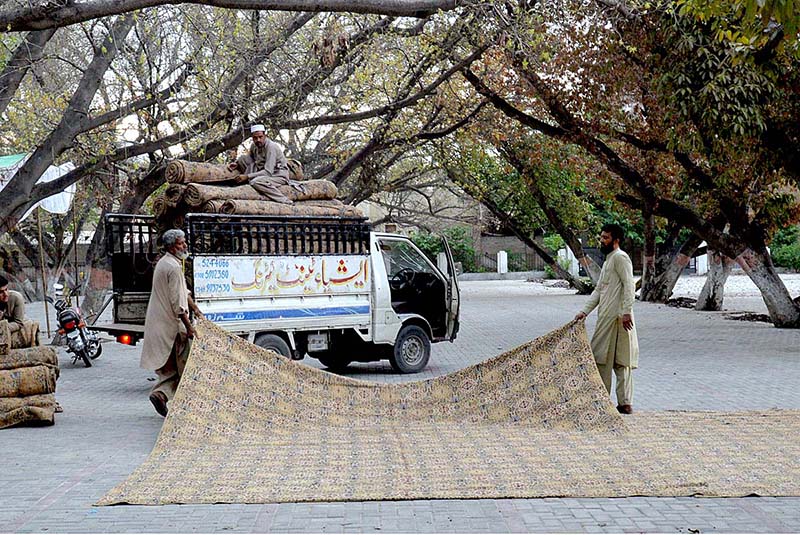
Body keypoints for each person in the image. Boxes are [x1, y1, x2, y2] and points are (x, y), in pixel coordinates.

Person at [575, 223, 639, 414]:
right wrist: (584, 312)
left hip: (621, 318)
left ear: (616, 240)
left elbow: (629, 285)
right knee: (601, 358)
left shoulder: (621, 258)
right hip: (606, 317)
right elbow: (599, 290)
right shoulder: (609, 260)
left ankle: (625, 403)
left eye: (606, 238)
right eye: (601, 237)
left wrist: (626, 311)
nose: (602, 241)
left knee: (622, 361)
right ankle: (601, 400)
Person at [140, 229, 201, 417]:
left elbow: (184, 292)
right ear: (171, 246)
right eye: (181, 243)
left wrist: (197, 310)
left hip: (160, 325)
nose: (185, 246)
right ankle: (190, 407)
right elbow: (178, 303)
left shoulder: (166, 263)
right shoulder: (173, 267)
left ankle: (160, 395)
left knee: (171, 370)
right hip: (172, 327)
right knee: (188, 367)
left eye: (184, 242)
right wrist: (190, 328)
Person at [228, 124, 294, 205]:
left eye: (260, 137)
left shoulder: (271, 147)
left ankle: (284, 200)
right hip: (261, 171)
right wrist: (237, 164)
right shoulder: (254, 145)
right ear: (252, 138)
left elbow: (268, 172)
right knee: (242, 159)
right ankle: (245, 182)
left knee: (255, 182)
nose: (258, 140)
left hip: (277, 175)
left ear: (265, 136)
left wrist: (247, 176)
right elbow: (249, 158)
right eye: (255, 138)